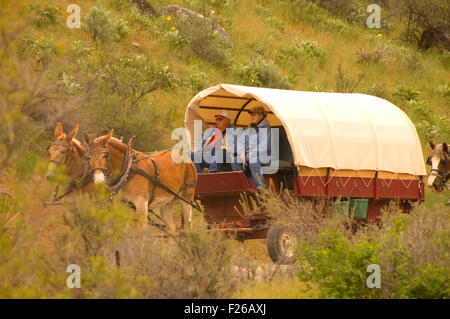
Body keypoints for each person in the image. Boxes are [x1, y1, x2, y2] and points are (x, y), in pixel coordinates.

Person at [232, 106, 271, 189]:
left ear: (260, 116)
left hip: (263, 155)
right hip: (248, 155)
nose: (252, 117)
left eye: (254, 115)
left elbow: (265, 146)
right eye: (251, 115)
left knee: (253, 159)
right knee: (235, 161)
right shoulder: (251, 127)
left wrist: (251, 153)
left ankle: (261, 189)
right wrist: (242, 152)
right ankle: (243, 186)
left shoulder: (265, 128)